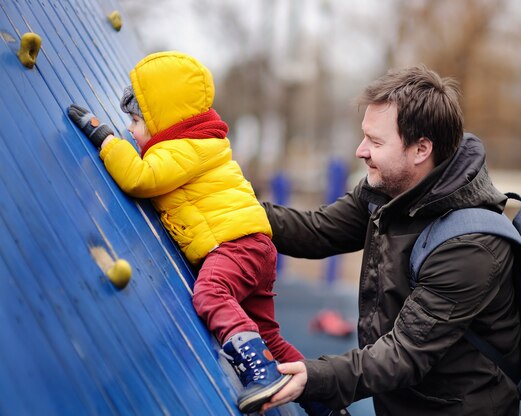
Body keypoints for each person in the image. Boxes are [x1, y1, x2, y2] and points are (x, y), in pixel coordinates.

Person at [67, 51, 342, 416]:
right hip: (252, 246)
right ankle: (324, 401)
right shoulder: (200, 142)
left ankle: (259, 372)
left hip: (235, 247)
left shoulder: (183, 148)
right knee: (269, 336)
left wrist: (104, 137)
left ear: (163, 118)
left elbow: (140, 178)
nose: (130, 130)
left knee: (211, 294)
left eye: (135, 120)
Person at [260, 64, 521, 415]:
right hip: (404, 400)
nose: (360, 150)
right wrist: (228, 208)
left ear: (420, 150)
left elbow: (404, 353)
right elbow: (317, 229)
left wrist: (317, 376)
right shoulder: (388, 190)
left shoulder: (472, 245)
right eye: (364, 135)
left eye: (375, 141)